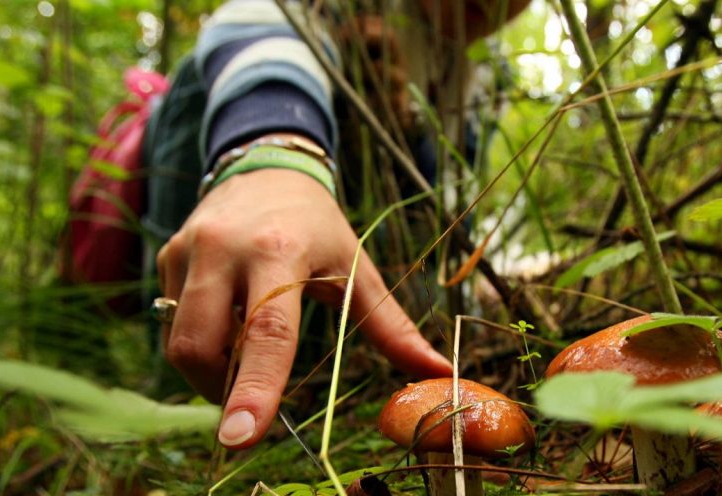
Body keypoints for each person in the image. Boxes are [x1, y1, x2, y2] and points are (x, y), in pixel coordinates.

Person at [144, 0, 530, 450]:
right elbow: (259, 31)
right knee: (197, 326)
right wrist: (274, 151)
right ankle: (168, 428)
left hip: (338, 247)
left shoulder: (487, 74)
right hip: (208, 154)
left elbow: (445, 197)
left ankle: (289, 408)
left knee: (290, 352)